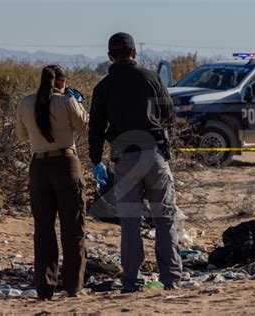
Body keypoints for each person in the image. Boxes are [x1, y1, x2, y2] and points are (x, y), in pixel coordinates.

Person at [89, 32, 182, 293]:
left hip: (125, 158)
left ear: (110, 56)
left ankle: (131, 280)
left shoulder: (104, 87)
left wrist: (96, 160)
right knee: (164, 218)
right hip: (154, 154)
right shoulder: (151, 78)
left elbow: (95, 128)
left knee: (130, 221)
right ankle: (171, 278)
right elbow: (169, 114)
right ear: (134, 53)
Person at [16, 65, 89, 299]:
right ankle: (73, 286)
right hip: (66, 164)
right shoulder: (66, 102)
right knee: (73, 226)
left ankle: (45, 287)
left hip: (38, 166)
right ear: (63, 82)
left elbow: (21, 135)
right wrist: (77, 104)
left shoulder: (26, 103)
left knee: (44, 228)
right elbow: (87, 129)